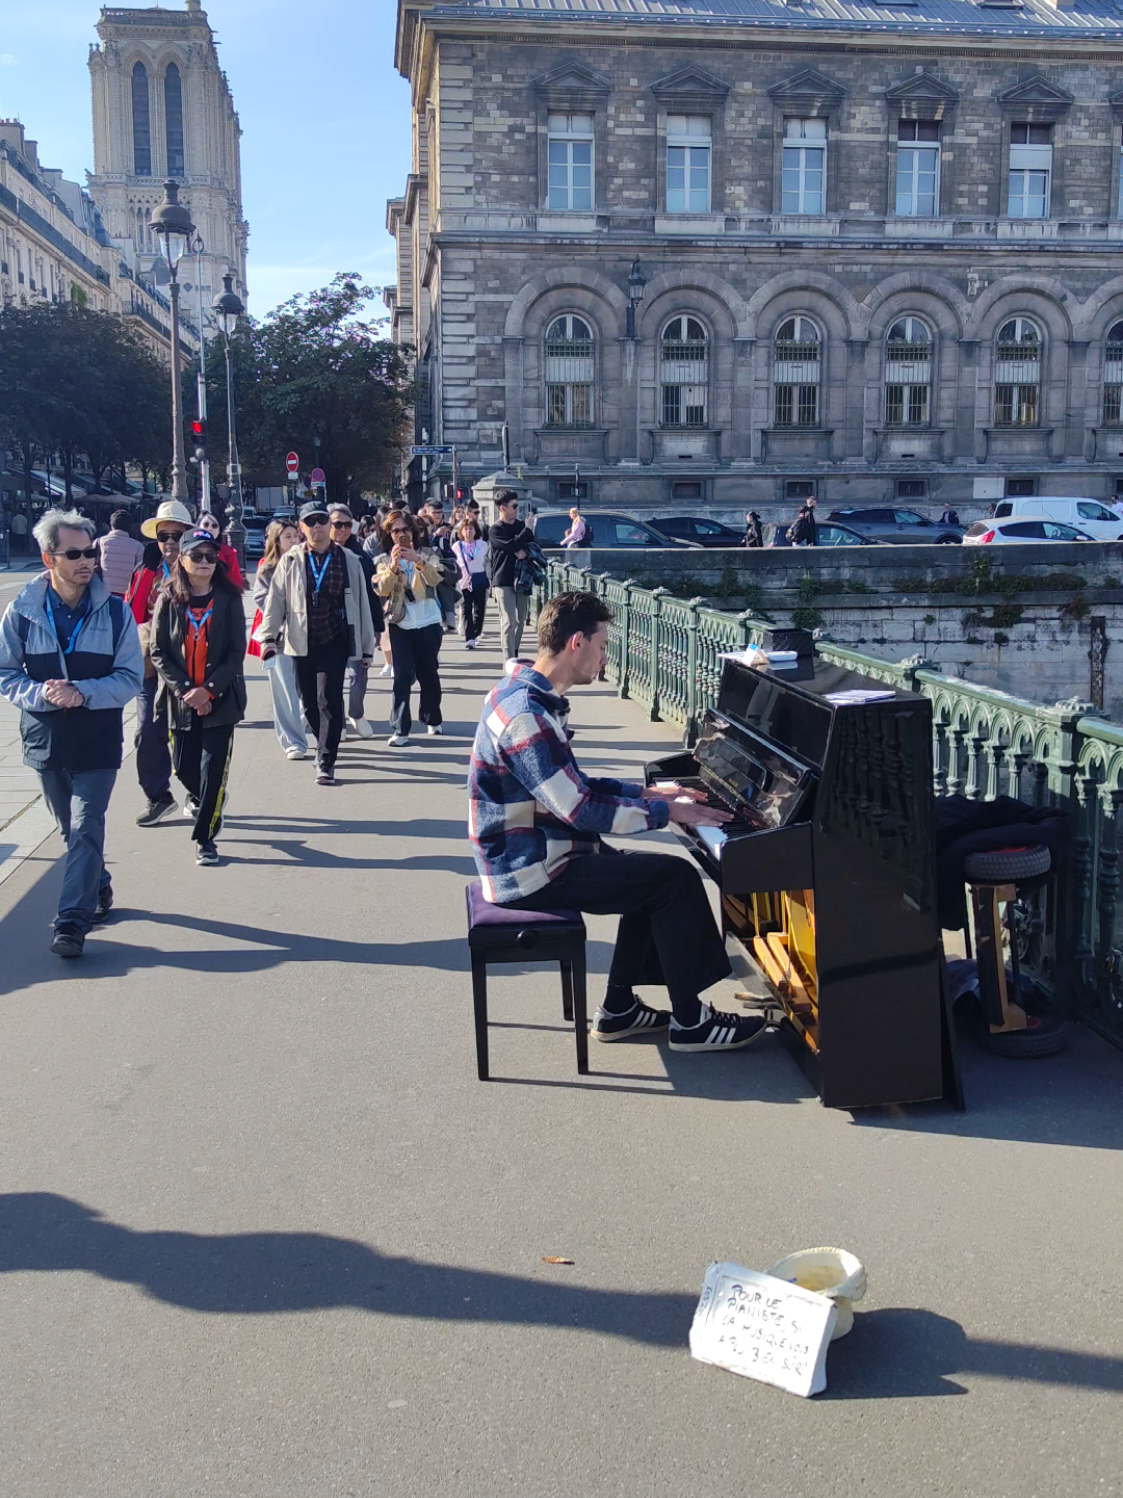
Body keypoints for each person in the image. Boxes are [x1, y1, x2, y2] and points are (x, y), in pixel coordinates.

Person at [469, 591, 765, 1051]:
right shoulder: (528, 718)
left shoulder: (521, 695)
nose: (606, 657)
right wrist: (667, 811)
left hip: (529, 850)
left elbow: (570, 784)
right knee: (671, 877)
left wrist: (644, 792)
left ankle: (619, 1009)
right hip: (526, 868)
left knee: (642, 877)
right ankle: (692, 1023)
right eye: (603, 646)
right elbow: (580, 809)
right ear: (576, 644)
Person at [0, 507, 143, 957]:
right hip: (45, 741)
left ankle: (71, 923)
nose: (87, 562)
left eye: (90, 552)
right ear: (49, 559)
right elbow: (5, 674)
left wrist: (81, 692)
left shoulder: (117, 613)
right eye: (75, 553)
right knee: (70, 830)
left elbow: (129, 678)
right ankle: (98, 883)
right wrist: (42, 693)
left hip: (97, 741)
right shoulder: (21, 611)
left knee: (85, 827)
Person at [258, 499, 375, 786]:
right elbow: (276, 600)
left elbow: (362, 602)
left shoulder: (348, 559)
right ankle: (321, 746)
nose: (317, 526)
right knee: (308, 702)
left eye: (322, 520)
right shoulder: (291, 559)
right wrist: (269, 637)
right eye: (310, 522)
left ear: (330, 525)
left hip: (334, 639)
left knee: (329, 701)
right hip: (300, 641)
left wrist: (366, 646)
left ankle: (326, 759)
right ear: (302, 527)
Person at [150, 530, 246, 866]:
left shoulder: (229, 598)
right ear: (182, 559)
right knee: (184, 769)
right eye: (197, 555)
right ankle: (209, 797)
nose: (204, 562)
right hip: (181, 701)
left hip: (221, 700)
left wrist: (210, 690)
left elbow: (237, 652)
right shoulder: (168, 598)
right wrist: (187, 691)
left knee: (213, 771)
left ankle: (204, 838)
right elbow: (158, 651)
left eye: (210, 555)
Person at [126, 499, 193, 825]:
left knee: (188, 736)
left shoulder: (200, 570)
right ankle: (158, 796)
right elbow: (131, 616)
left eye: (176, 536)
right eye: (163, 536)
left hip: (187, 669)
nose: (169, 543)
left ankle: (196, 791)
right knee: (145, 733)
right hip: (148, 668)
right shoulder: (146, 573)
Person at [375, 510, 444, 745]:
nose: (401, 535)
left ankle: (432, 718)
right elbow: (382, 589)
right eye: (395, 531)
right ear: (389, 534)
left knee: (429, 674)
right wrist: (394, 566)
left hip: (428, 621)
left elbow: (436, 579)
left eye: (405, 530)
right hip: (400, 622)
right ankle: (401, 728)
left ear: (414, 531)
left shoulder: (428, 553)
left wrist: (417, 560)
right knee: (402, 676)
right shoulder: (384, 560)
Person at [251, 520, 308, 759]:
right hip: (280, 636)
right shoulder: (268, 567)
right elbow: (261, 598)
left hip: (308, 634)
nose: (294, 541)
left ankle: (306, 721)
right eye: (288, 537)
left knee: (308, 688)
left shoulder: (308, 562)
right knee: (284, 690)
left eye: (296, 536)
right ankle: (293, 741)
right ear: (277, 540)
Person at [329, 502, 384, 740]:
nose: (341, 529)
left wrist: (377, 628)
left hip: (357, 625)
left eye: (346, 525)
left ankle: (356, 713)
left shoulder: (361, 555)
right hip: (327, 626)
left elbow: (372, 596)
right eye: (336, 524)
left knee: (357, 674)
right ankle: (338, 722)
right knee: (330, 678)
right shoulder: (319, 553)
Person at [487, 489, 535, 663]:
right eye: (513, 506)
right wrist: (526, 532)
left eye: (518, 506)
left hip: (522, 578)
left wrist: (524, 539)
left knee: (521, 619)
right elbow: (510, 545)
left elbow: (530, 545)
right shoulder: (495, 530)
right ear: (502, 508)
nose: (517, 509)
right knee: (509, 621)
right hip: (503, 579)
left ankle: (514, 650)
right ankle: (509, 660)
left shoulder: (520, 526)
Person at [453, 515, 489, 650]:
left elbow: (480, 559)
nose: (468, 532)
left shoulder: (482, 544)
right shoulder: (457, 546)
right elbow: (458, 563)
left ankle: (476, 633)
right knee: (466, 609)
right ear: (461, 532)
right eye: (466, 529)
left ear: (476, 531)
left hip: (479, 578)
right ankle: (470, 638)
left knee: (479, 608)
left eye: (471, 529)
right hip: (464, 581)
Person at [97, 510, 145, 596]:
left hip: (102, 593)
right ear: (130, 526)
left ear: (111, 525)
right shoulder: (138, 546)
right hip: (127, 594)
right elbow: (140, 572)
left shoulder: (99, 542)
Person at [195, 511, 244, 589]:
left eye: (214, 526)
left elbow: (236, 582)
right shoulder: (188, 550)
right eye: (206, 525)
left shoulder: (228, 553)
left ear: (219, 531)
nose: (210, 528)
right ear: (198, 527)